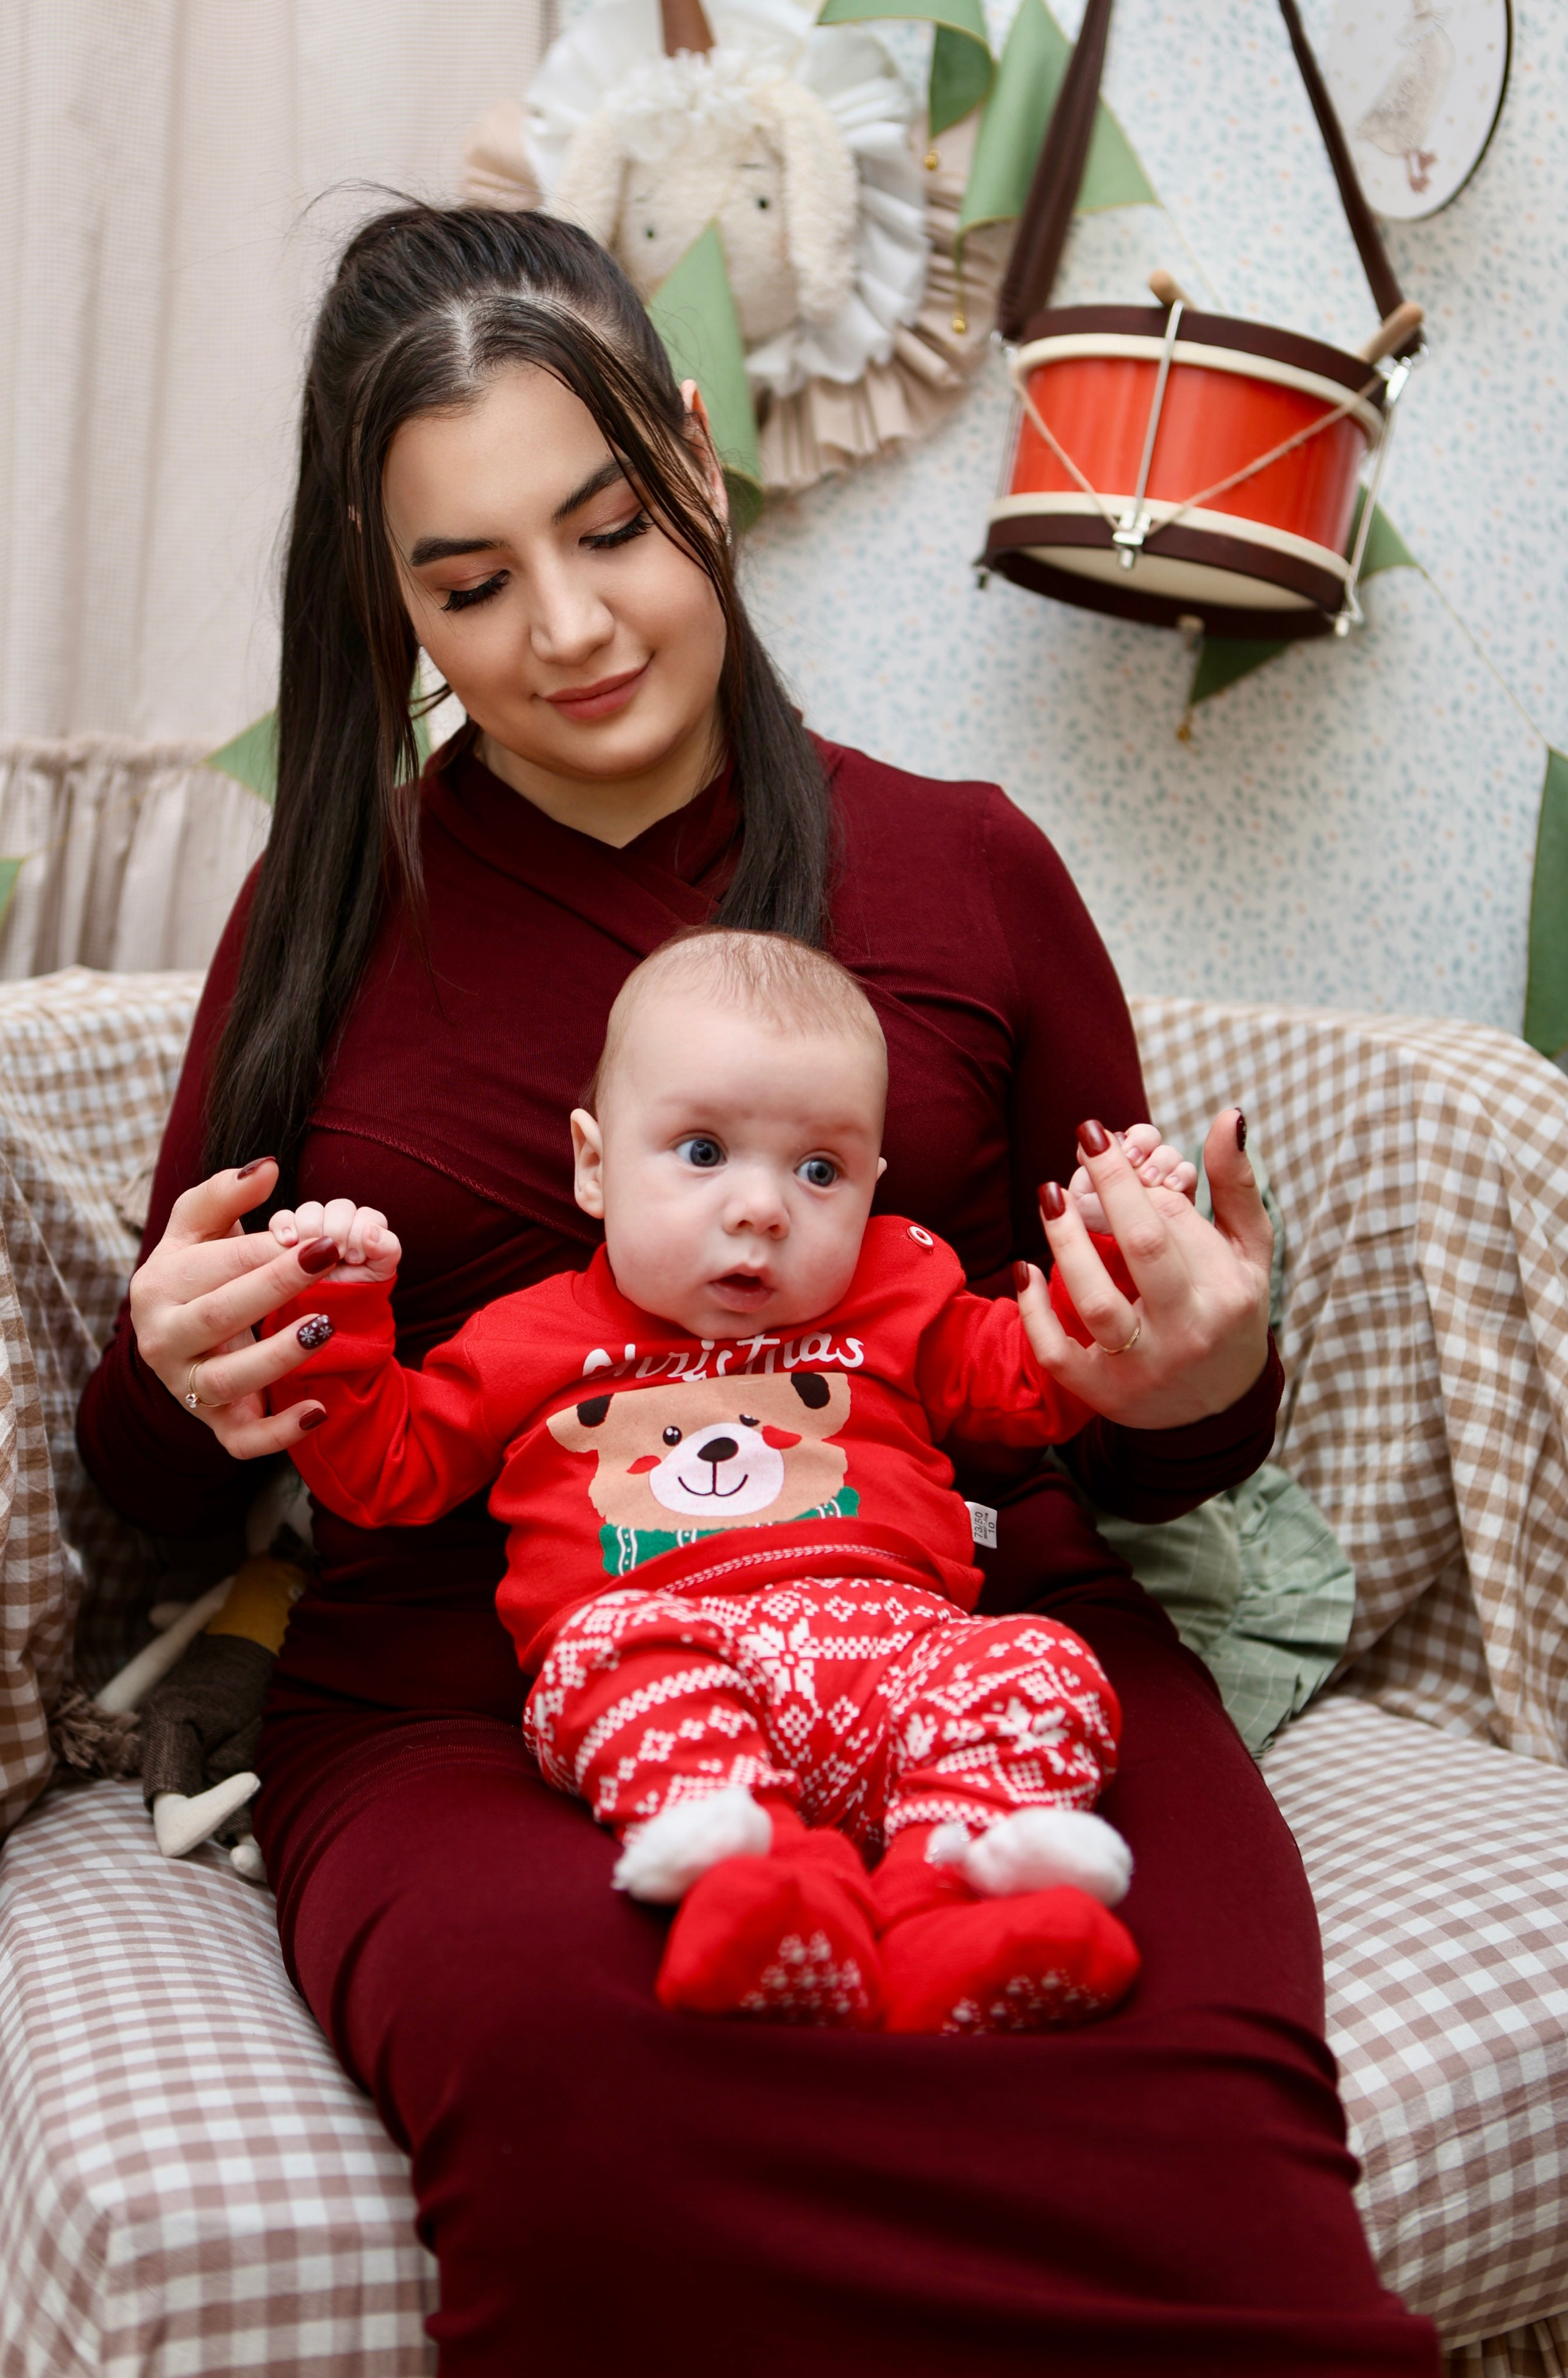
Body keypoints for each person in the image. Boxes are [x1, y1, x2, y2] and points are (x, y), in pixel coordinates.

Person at [77, 203, 1438, 2374]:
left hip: (976, 1635)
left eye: (610, 524)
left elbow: (1159, 1419)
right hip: (482, 1696)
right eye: (466, 581)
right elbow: (147, 1475)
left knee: (1169, 2124)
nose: (568, 627)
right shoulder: (328, 914)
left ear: (699, 456)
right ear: (386, 599)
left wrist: (1207, 1358)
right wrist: (179, 1377)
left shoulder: (971, 865)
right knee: (602, 2106)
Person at [262, 927, 1193, 2035]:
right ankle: (760, 1890)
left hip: (903, 1655)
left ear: (872, 1188)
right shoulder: (533, 1337)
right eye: (702, 1152)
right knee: (599, 1657)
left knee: (1043, 1661)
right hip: (675, 1663)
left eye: (819, 1171)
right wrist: (340, 1313)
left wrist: (1121, 1248)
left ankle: (962, 1899)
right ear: (595, 1166)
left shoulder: (898, 1294)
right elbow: (386, 1470)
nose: (762, 1209)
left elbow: (1039, 1378)